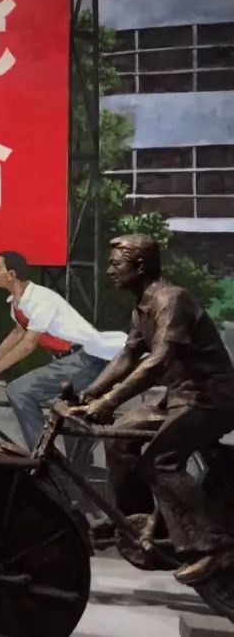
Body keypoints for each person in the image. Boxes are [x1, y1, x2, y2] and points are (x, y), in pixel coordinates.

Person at [72, 234, 234, 585]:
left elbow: (157, 361)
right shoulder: (143, 304)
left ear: (140, 265)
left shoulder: (171, 300)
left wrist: (109, 401)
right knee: (118, 437)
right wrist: (89, 393)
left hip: (210, 398)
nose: (110, 270)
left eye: (116, 264)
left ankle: (213, 545)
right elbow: (128, 355)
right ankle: (138, 521)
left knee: (161, 460)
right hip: (179, 396)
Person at [0, 250, 125, 450]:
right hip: (72, 360)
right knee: (71, 418)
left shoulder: (40, 299)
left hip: (86, 357)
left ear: (12, 274)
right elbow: (18, 333)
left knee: (19, 391)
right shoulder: (17, 303)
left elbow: (28, 344)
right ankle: (76, 465)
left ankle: (43, 455)